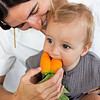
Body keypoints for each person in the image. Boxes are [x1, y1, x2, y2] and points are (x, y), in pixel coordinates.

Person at [26, 3, 100, 100]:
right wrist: (33, 83)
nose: (54, 51)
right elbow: (29, 80)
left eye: (65, 46)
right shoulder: (39, 61)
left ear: (83, 50)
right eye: (50, 40)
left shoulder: (94, 66)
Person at [0, 0, 67, 100]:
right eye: (21, 25)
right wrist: (18, 98)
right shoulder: (8, 35)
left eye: (34, 10)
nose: (37, 26)